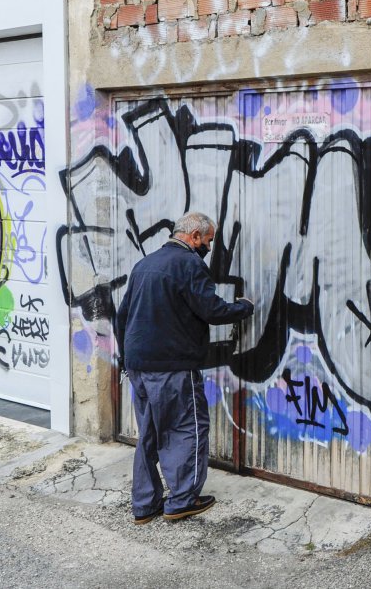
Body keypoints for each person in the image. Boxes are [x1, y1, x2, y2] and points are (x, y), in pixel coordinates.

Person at [116, 212, 255, 524]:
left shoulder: (144, 264)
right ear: (194, 237)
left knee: (149, 434)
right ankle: (182, 500)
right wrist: (244, 307)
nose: (208, 247)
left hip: (138, 366)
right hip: (173, 367)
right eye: (207, 241)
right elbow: (212, 310)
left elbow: (121, 317)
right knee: (186, 428)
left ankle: (145, 505)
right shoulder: (188, 263)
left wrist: (127, 359)